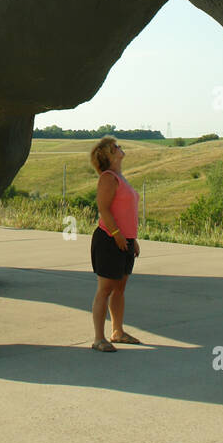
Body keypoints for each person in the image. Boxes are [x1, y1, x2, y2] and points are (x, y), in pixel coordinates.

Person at [89, 136, 142, 352]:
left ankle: (118, 331)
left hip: (125, 240)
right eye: (115, 147)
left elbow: (126, 212)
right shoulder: (108, 178)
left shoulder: (120, 177)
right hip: (108, 239)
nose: (120, 148)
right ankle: (98, 339)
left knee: (120, 288)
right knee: (105, 289)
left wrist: (132, 239)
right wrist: (117, 234)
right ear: (108, 155)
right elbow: (104, 210)